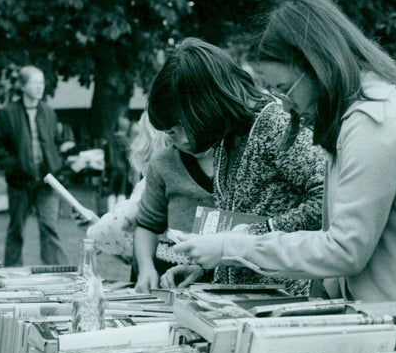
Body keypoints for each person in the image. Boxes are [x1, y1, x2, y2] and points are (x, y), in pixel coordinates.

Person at [170, 0, 396, 303]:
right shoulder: (370, 111)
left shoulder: (373, 122)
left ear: (318, 64)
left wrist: (230, 248)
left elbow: (344, 251)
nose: (287, 105)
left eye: (285, 89)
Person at [135, 37, 325, 296]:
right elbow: (235, 231)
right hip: (244, 303)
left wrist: (243, 239)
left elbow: (326, 201)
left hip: (281, 304)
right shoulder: (227, 140)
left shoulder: (275, 124)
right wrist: (201, 268)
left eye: (179, 127)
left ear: (203, 106)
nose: (176, 139)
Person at [0, 65, 69, 267]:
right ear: (23, 86)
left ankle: (57, 272)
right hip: (19, 182)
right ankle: (12, 272)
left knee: (49, 227)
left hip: (47, 182)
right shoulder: (8, 113)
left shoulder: (49, 112)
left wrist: (57, 163)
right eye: (35, 83)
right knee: (16, 229)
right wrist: (15, 166)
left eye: (42, 83)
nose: (40, 87)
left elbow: (54, 142)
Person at [85, 111, 167, 267]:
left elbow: (116, 228)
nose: (134, 141)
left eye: (138, 134)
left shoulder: (154, 182)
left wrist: (93, 228)